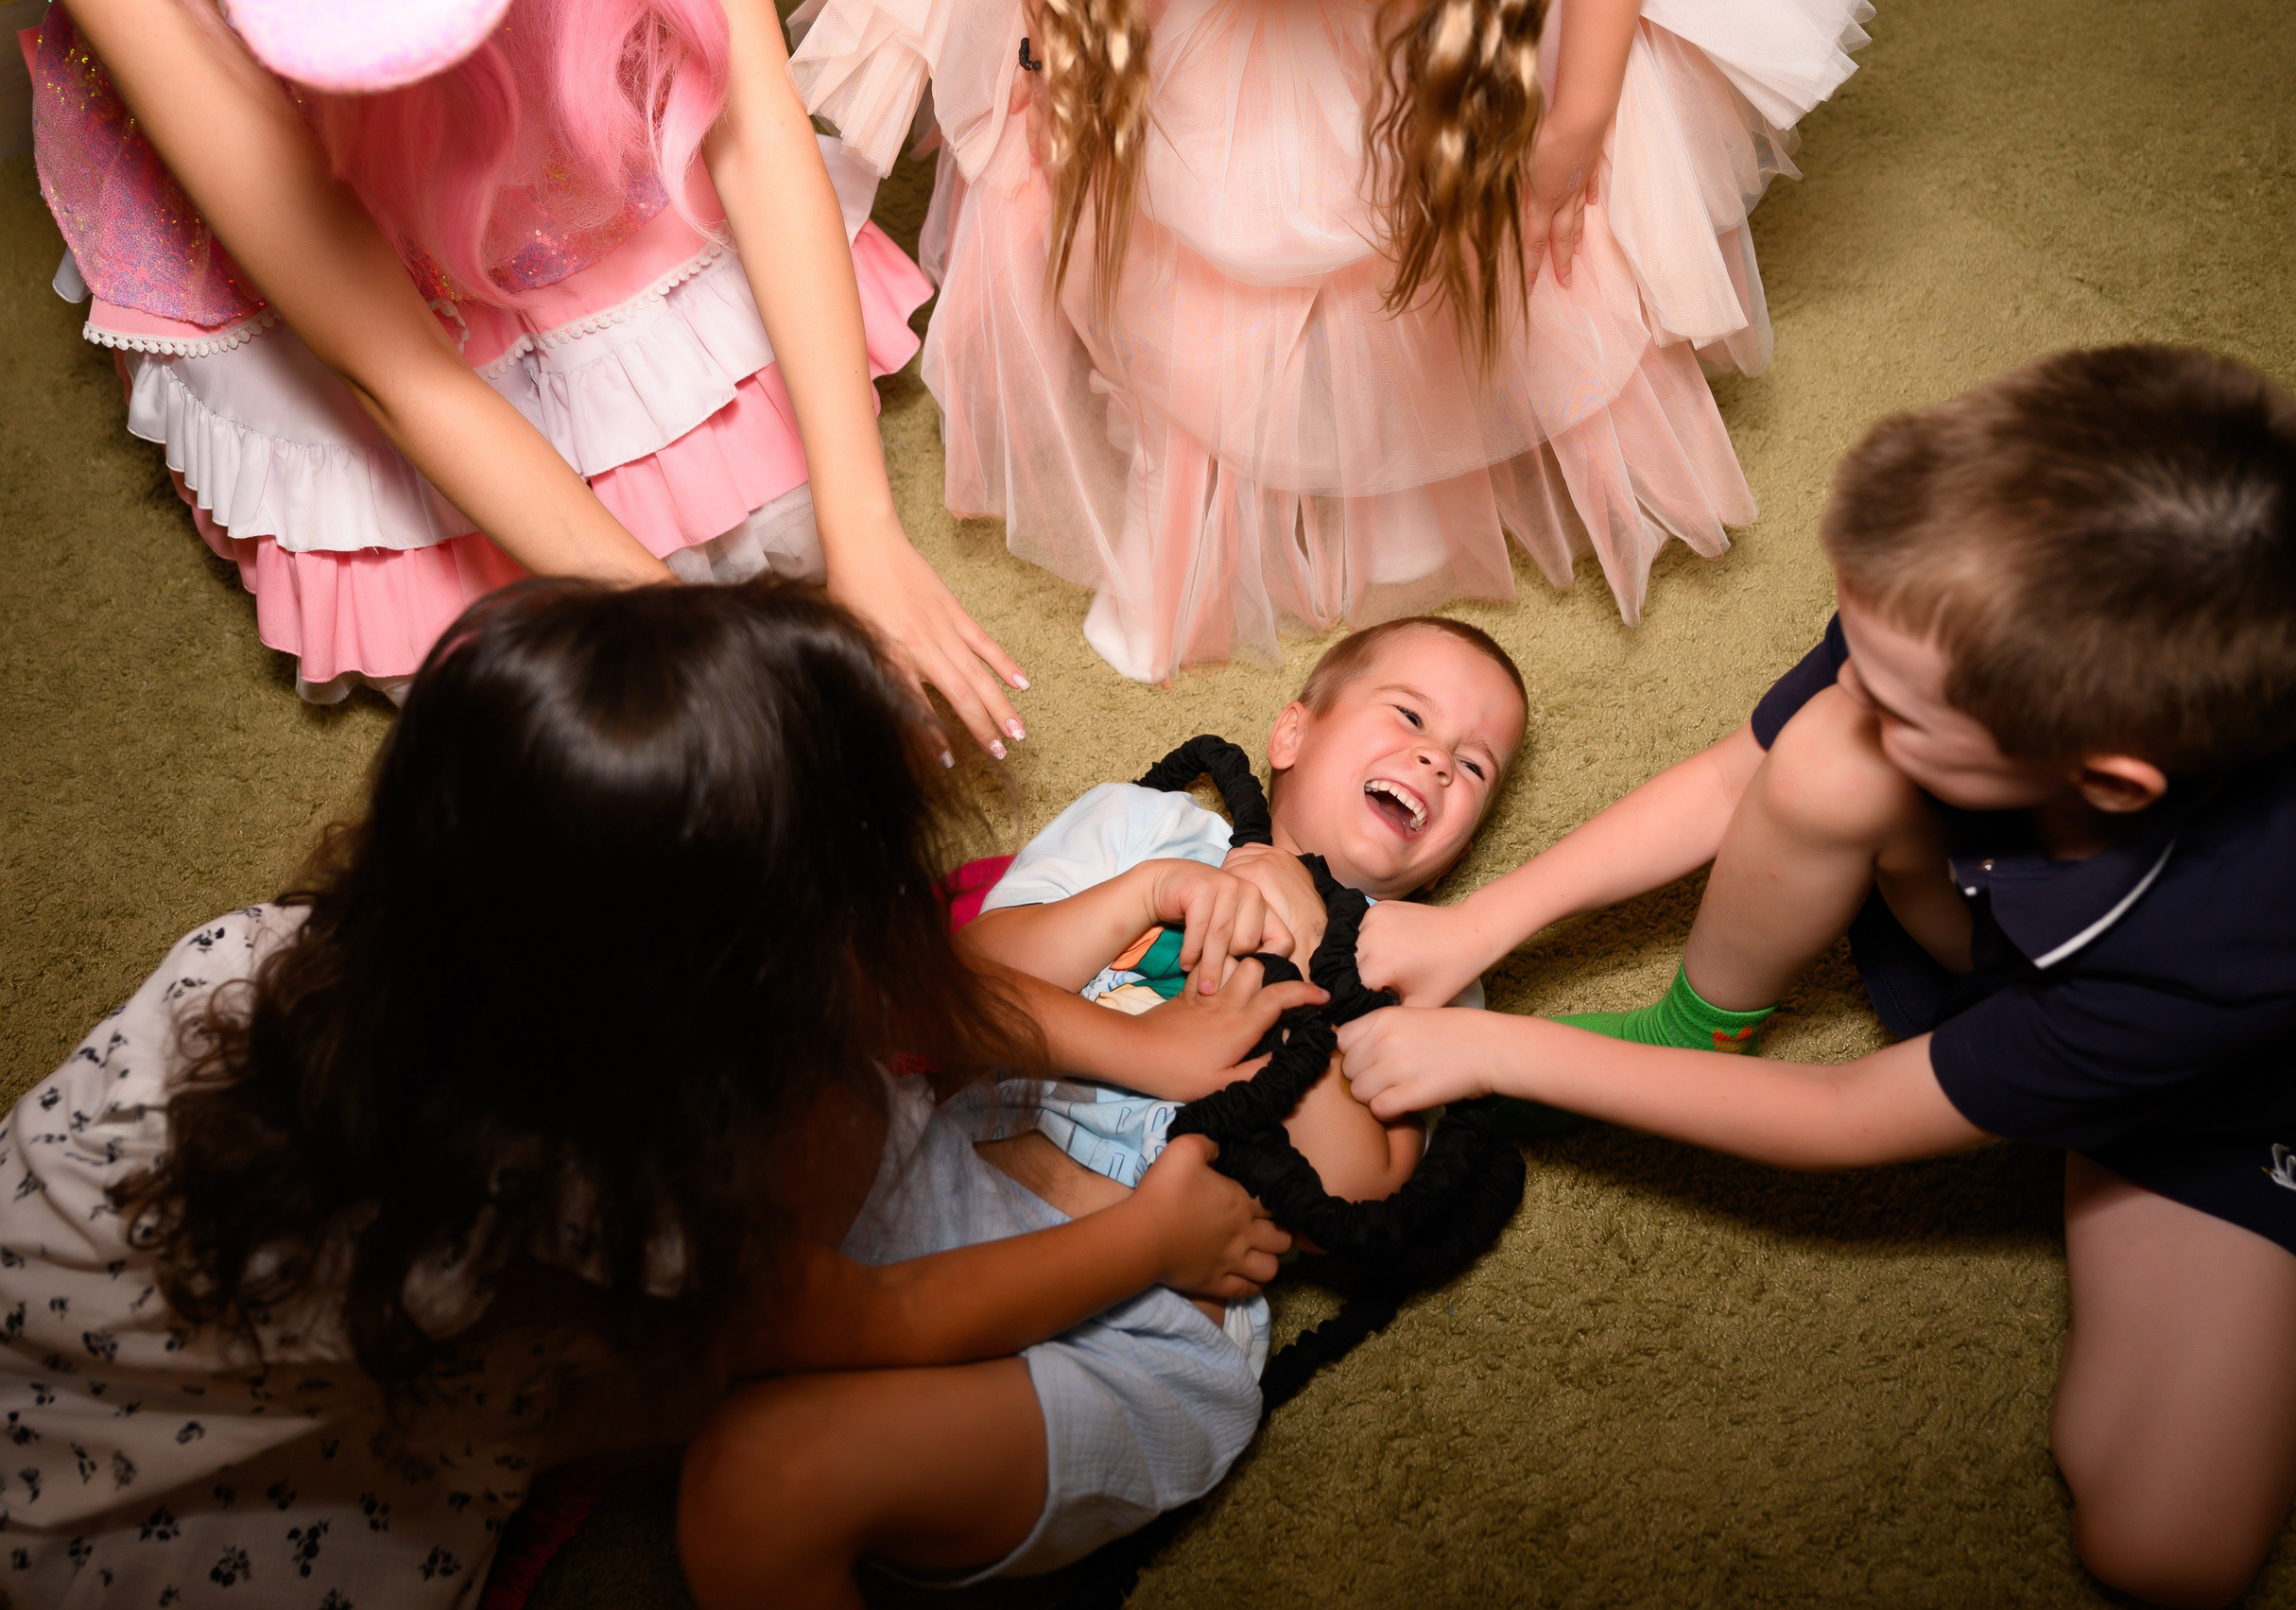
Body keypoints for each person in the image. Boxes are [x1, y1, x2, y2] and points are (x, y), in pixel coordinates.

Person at [1339, 347, 2296, 1609]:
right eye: (1855, 633)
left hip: (2203, 1107)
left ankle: (2070, 1121)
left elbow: (1847, 1113)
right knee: (1824, 759)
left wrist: (1503, 1046)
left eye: (1897, 692)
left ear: (2106, 772)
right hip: (1981, 911)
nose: (1846, 675)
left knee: (2162, 1547)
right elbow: (1740, 774)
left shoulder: (2241, 935)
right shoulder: (1949, 602)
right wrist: (1485, 924)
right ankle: (1699, 1025)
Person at [0, 580, 1281, 1606]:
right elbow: (882, 1311)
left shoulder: (281, 950)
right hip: (117, 1504)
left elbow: (887, 994)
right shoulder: (592, 1203)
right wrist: (1148, 1236)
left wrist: (1130, 1047)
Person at [23, 0, 1026, 752]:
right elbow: (394, 369)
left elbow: (756, 128)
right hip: (297, 188)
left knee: (783, 510)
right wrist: (710, 663)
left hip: (554, 111)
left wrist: (868, 531)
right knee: (492, 668)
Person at [790, 0, 1872, 682]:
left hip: (1445, 38)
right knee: (1196, 227)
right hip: (1197, 38)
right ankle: (1254, 474)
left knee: (1473, 229)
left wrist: (1574, 127)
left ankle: (1408, 471)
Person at [955, 616, 1530, 1369]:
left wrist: (1305, 934)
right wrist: (1149, 891)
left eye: (1474, 766)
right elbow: (963, 984)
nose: (1437, 759)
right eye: (1410, 714)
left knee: (1195, 1392)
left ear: (1453, 857)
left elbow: (1350, 1202)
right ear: (1290, 734)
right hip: (990, 1145)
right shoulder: (1149, 825)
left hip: (1186, 1273)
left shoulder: (1435, 965)